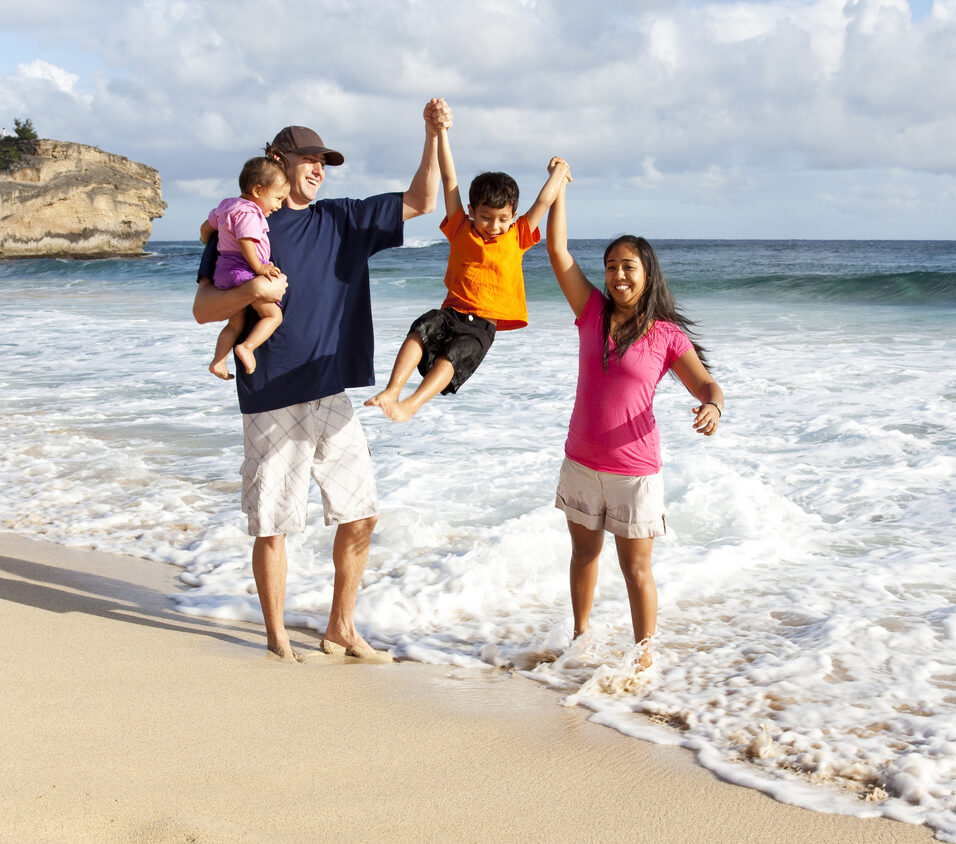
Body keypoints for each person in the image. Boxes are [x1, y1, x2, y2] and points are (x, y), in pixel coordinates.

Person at [192, 99, 448, 662]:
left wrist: (431, 136)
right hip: (271, 394)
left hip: (330, 390)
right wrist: (252, 292)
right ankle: (277, 637)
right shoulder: (243, 222)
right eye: (307, 158)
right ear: (276, 161)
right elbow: (204, 309)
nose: (317, 168)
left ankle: (341, 628)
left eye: (323, 161)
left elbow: (422, 201)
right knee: (274, 523)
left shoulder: (342, 220)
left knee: (362, 512)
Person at [544, 159, 724, 670]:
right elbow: (557, 252)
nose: (618, 276)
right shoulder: (591, 312)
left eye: (629, 267)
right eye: (611, 267)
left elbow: (707, 383)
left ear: (647, 275)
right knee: (583, 556)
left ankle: (644, 658)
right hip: (581, 461)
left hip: (633, 471)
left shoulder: (665, 335)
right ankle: (580, 640)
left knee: (636, 569)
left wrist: (712, 406)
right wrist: (559, 189)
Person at [365, 107, 572, 422]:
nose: (493, 225)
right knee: (420, 330)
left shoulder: (517, 236)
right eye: (486, 217)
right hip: (450, 311)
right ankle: (392, 390)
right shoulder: (461, 226)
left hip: (483, 326)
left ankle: (411, 404)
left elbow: (543, 201)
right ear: (472, 210)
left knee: (453, 357)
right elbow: (450, 178)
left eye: (503, 219)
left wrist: (558, 172)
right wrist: (443, 132)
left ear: (513, 216)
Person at [201, 157, 290, 380]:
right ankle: (248, 347)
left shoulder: (225, 206)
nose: (278, 206)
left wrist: (207, 241)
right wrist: (260, 267)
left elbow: (205, 228)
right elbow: (246, 241)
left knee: (235, 323)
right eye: (277, 198)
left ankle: (218, 361)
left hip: (224, 271)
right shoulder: (250, 212)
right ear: (258, 190)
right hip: (242, 271)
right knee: (273, 315)